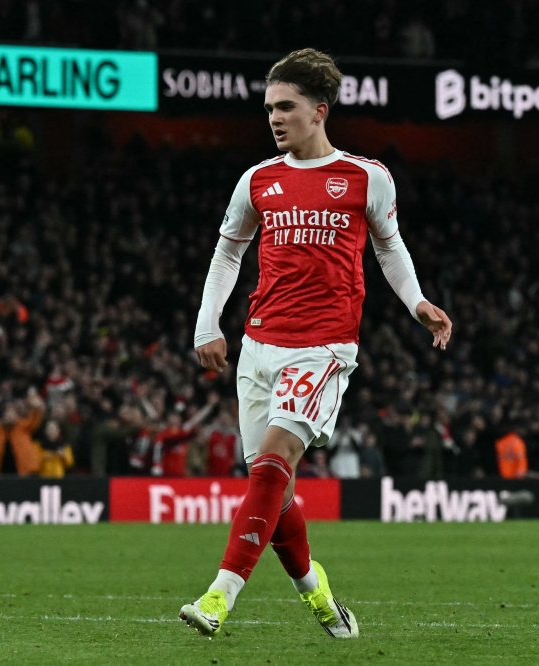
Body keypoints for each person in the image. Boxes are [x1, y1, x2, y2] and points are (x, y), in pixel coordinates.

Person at [180, 49, 453, 639]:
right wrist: (209, 326)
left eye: (286, 107)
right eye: (269, 108)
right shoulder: (257, 180)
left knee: (272, 466)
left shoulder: (366, 177)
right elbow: (228, 251)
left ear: (319, 111)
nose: (274, 118)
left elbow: (389, 246)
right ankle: (320, 597)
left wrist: (417, 302)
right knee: (273, 495)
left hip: (323, 349)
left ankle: (219, 595)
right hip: (257, 347)